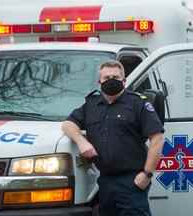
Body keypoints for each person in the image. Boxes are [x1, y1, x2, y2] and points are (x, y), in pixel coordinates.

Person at [61, 60, 164, 216]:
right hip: (105, 181)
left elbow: (157, 138)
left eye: (115, 77)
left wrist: (147, 174)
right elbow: (68, 124)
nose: (111, 81)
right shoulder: (91, 105)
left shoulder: (137, 104)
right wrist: (81, 142)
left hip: (132, 180)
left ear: (124, 81)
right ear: (99, 82)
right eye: (107, 77)